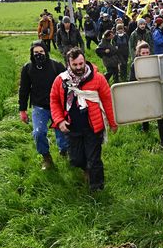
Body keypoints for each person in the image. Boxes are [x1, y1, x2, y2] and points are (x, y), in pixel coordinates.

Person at [50, 47, 118, 191]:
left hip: (93, 127)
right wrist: (59, 120)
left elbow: (107, 101)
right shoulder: (61, 81)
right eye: (75, 65)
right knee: (76, 159)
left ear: (84, 61)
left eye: (81, 64)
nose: (79, 67)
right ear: (68, 64)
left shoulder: (97, 78)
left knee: (94, 160)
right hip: (72, 127)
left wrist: (113, 123)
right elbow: (54, 100)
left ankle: (97, 189)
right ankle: (85, 169)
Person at [18, 40, 68, 170]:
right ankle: (46, 157)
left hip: (57, 106)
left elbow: (69, 83)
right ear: (31, 53)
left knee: (62, 131)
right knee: (38, 133)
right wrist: (22, 110)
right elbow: (24, 89)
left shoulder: (56, 66)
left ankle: (64, 151)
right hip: (39, 106)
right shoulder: (27, 68)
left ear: (46, 52)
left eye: (41, 52)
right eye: (35, 52)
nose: (38, 54)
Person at [129, 41, 163, 146]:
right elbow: (131, 81)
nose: (145, 55)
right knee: (145, 111)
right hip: (142, 91)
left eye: (147, 53)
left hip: (154, 90)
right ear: (138, 53)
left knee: (160, 114)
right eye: (143, 53)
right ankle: (145, 127)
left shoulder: (154, 63)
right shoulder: (134, 65)